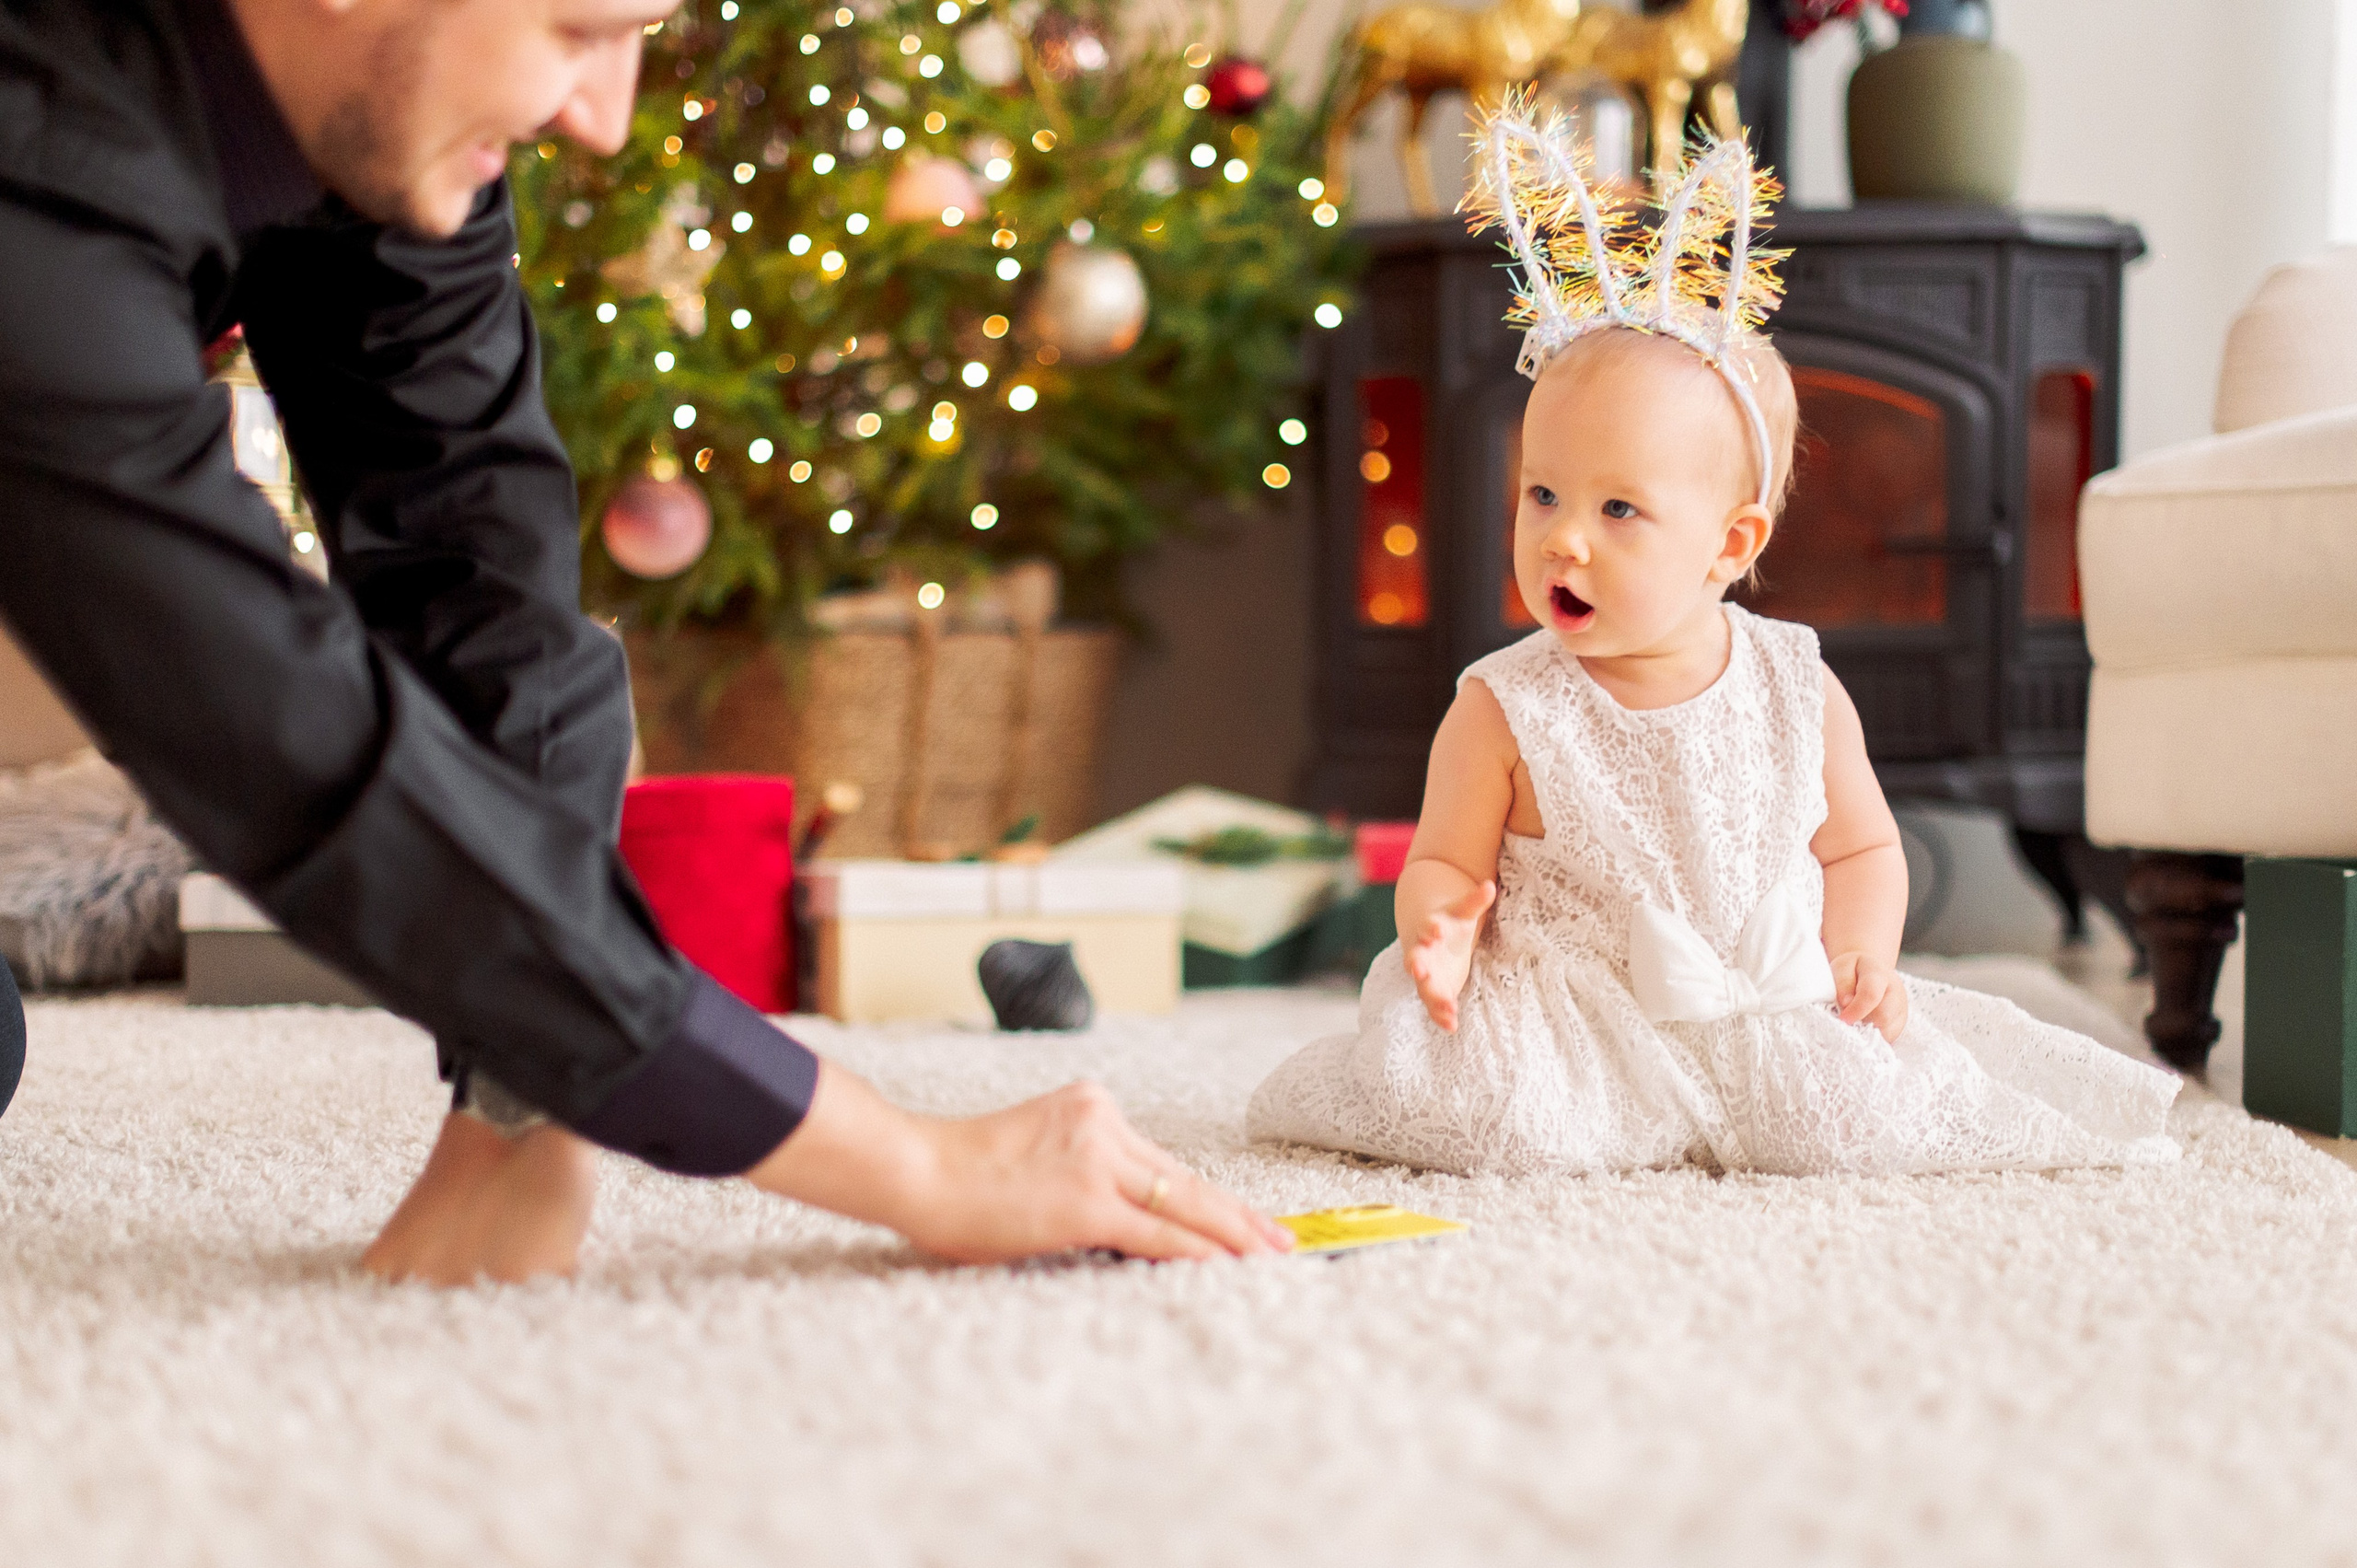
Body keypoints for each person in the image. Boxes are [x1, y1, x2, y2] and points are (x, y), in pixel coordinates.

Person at [0, 0, 1289, 1282]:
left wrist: (522, 1097)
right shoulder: (34, 163)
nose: (603, 123)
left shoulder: (376, 106)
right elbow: (281, 728)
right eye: (577, 30)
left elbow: (480, 577)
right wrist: (914, 1164)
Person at [1247, 109, 2181, 1177]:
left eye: (1618, 511)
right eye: (1542, 494)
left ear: (1728, 544)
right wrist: (1439, 926)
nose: (1562, 540)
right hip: (1576, 1013)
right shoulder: (1502, 705)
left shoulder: (1794, 685)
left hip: (1761, 999)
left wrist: (1859, 953)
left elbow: (1862, 848)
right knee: (1497, 1122)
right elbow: (1447, 859)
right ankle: (1566, 1103)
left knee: (1856, 1125)